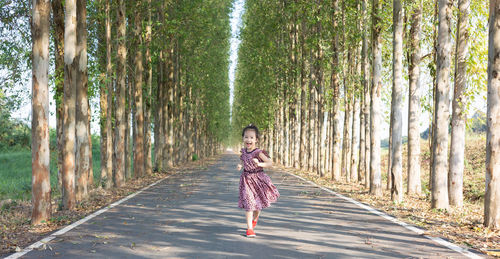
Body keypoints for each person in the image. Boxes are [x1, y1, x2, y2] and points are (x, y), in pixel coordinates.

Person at [237, 124, 279, 238]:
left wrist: (259, 163)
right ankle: (249, 228)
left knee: (257, 204)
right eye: (246, 137)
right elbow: (243, 160)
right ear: (243, 138)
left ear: (256, 140)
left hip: (258, 179)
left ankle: (255, 218)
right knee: (249, 202)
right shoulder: (244, 151)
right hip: (246, 180)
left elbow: (270, 163)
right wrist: (240, 165)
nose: (248, 140)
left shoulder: (258, 152)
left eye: (251, 137)